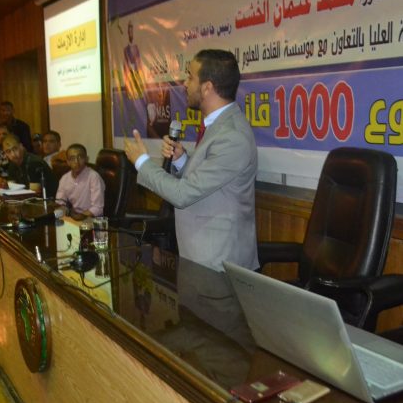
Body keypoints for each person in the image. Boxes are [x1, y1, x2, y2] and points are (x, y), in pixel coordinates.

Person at [124, 49, 259, 272]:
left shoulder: (232, 136)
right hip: (200, 257)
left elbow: (182, 194)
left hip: (220, 265)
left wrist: (141, 162)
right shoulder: (217, 126)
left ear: (207, 87)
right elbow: (206, 184)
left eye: (190, 77)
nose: (185, 84)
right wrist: (181, 161)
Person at [56, 143, 105, 221]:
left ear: (86, 159)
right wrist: (59, 212)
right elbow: (60, 202)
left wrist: (80, 216)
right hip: (75, 217)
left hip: (93, 219)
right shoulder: (64, 178)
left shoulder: (94, 177)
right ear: (68, 162)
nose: (76, 161)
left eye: (80, 157)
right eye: (72, 158)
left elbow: (97, 208)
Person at [0, 134, 58, 198]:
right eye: (8, 151)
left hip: (50, 200)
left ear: (21, 146)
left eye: (15, 149)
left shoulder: (34, 162)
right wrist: (4, 186)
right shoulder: (12, 165)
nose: (13, 154)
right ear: (5, 154)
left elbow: (33, 194)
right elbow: (12, 189)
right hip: (28, 201)